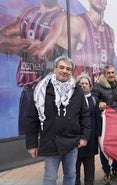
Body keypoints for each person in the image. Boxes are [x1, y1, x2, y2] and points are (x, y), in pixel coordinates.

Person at [0, 0, 67, 135]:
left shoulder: (63, 18)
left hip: (48, 92)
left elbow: (42, 52)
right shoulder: (28, 12)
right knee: (25, 139)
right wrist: (29, 42)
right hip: (28, 92)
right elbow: (1, 40)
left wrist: (15, 45)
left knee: (47, 138)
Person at [25, 56, 91, 185]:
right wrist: (31, 144)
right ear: (55, 69)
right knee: (50, 177)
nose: (64, 71)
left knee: (71, 174)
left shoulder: (77, 92)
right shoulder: (41, 91)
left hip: (72, 141)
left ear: (71, 72)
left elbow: (85, 116)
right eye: (61, 67)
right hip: (50, 141)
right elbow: (32, 119)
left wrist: (84, 137)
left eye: (68, 69)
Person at [59, 0, 117, 83]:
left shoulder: (110, 31)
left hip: (103, 89)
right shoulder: (77, 22)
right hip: (83, 87)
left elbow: (110, 64)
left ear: (106, 2)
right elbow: (61, 57)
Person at [91, 65, 117, 185]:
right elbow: (92, 98)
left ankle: (115, 169)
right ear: (104, 74)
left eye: (113, 72)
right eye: (108, 73)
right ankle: (106, 171)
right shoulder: (98, 86)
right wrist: (99, 102)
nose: (111, 74)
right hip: (103, 124)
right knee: (103, 148)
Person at [75, 72, 101, 185]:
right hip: (75, 137)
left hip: (90, 138)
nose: (84, 85)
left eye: (86, 83)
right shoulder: (71, 98)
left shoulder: (94, 100)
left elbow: (97, 119)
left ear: (90, 86)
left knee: (89, 165)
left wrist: (99, 134)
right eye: (81, 84)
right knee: (74, 166)